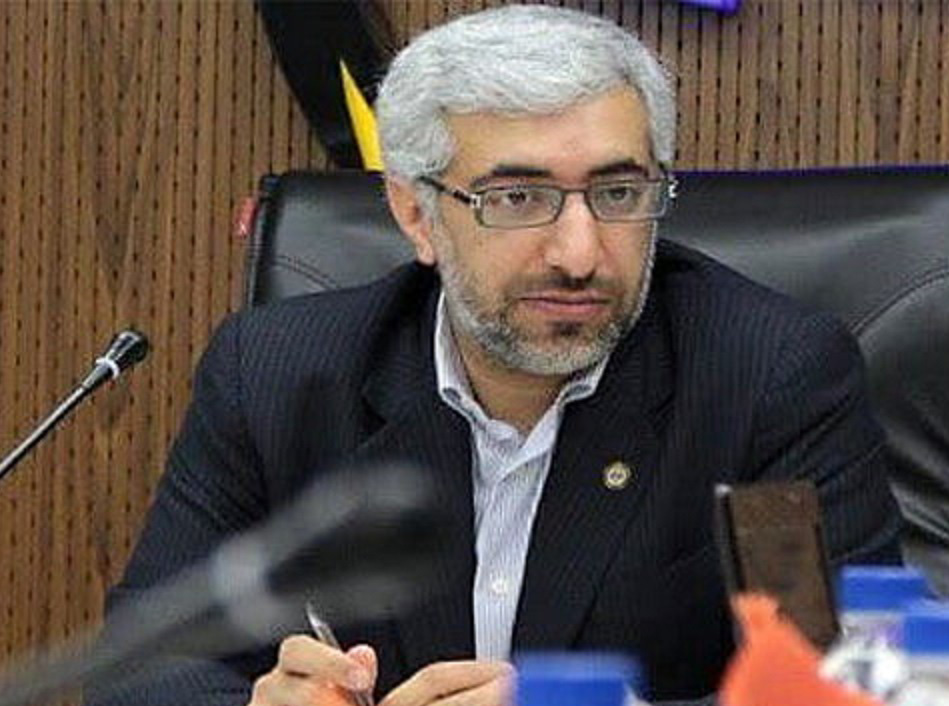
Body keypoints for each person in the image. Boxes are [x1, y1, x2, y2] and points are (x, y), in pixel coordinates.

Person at [92, 6, 901, 706]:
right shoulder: (277, 376)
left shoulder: (767, 381)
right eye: (518, 199)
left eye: (619, 194)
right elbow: (145, 667)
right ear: (416, 214)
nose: (580, 254)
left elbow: (833, 687)